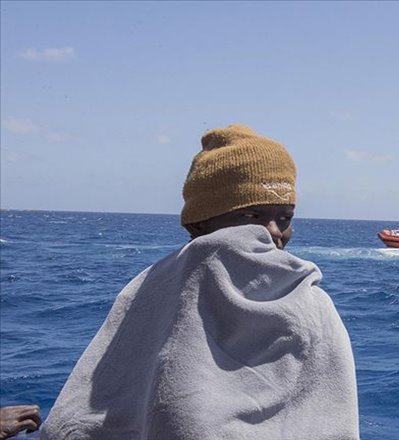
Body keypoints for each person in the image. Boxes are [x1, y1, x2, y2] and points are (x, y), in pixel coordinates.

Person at [41, 125, 359, 439]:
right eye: (251, 216)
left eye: (285, 218)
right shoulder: (145, 295)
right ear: (200, 223)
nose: (273, 231)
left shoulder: (311, 306)